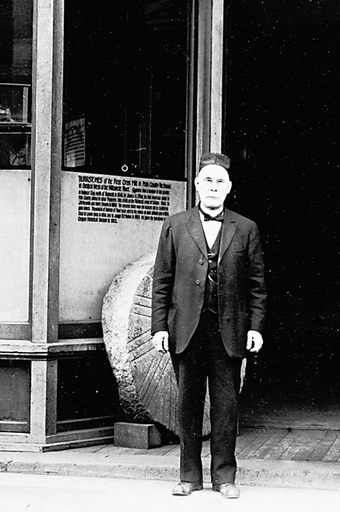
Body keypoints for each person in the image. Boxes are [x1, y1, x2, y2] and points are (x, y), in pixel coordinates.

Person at [151, 152, 267, 500]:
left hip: (228, 332)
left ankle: (224, 477)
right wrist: (160, 327)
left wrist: (256, 327)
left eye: (220, 182)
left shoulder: (246, 228)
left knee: (226, 405)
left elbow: (257, 286)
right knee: (187, 406)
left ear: (228, 188)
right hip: (185, 329)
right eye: (207, 181)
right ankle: (189, 476)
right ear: (197, 186)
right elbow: (162, 282)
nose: (213, 187)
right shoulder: (174, 225)